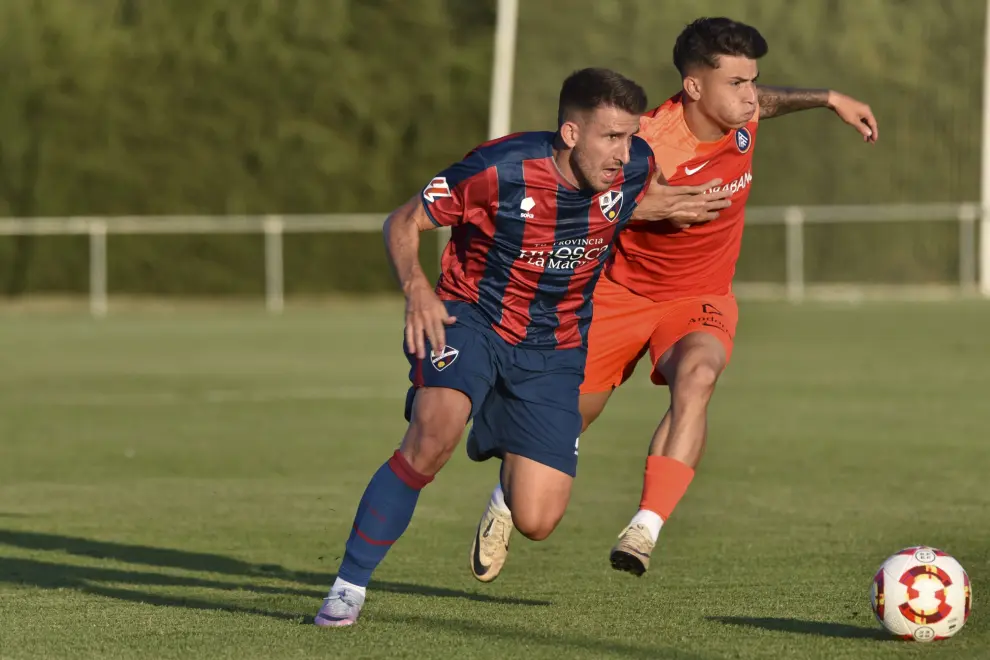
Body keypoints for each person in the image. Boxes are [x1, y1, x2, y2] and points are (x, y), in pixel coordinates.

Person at [469, 16, 878, 582]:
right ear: (693, 87)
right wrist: (641, 208)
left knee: (699, 374)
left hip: (699, 296)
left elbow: (771, 102)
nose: (750, 95)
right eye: (735, 83)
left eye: (751, 81)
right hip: (618, 294)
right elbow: (574, 203)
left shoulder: (746, 112)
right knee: (570, 420)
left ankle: (645, 527)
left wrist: (830, 98)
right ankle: (504, 496)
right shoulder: (646, 144)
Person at [314, 67, 660, 627]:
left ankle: (500, 434)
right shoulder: (499, 169)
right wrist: (416, 288)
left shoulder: (637, 167)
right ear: (571, 133)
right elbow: (402, 221)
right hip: (470, 318)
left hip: (555, 346)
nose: (625, 152)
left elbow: (647, 195)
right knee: (433, 434)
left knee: (538, 520)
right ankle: (348, 586)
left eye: (629, 136)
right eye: (611, 136)